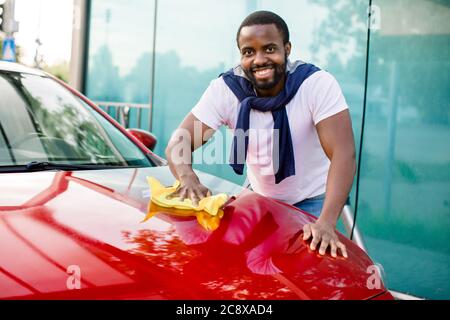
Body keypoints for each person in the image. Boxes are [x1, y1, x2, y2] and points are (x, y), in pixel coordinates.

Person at [165, 11, 356, 258]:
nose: (259, 59)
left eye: (269, 49)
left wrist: (327, 221)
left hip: (313, 201)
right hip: (260, 197)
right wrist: (186, 177)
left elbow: (344, 153)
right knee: (249, 264)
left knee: (303, 271)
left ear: (287, 49)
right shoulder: (227, 90)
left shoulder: (315, 84)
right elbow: (179, 143)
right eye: (248, 52)